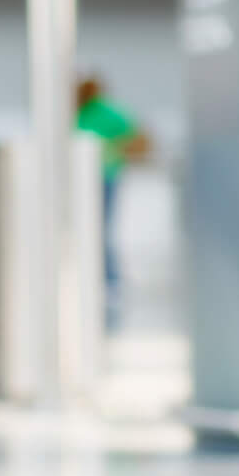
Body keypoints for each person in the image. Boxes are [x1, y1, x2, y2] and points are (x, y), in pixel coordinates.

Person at [75, 75, 149, 326]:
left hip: (105, 178)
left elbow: (138, 138)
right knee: (86, 232)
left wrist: (116, 152)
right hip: (79, 181)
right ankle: (88, 280)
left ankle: (111, 284)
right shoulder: (77, 111)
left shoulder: (106, 111)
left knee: (101, 231)